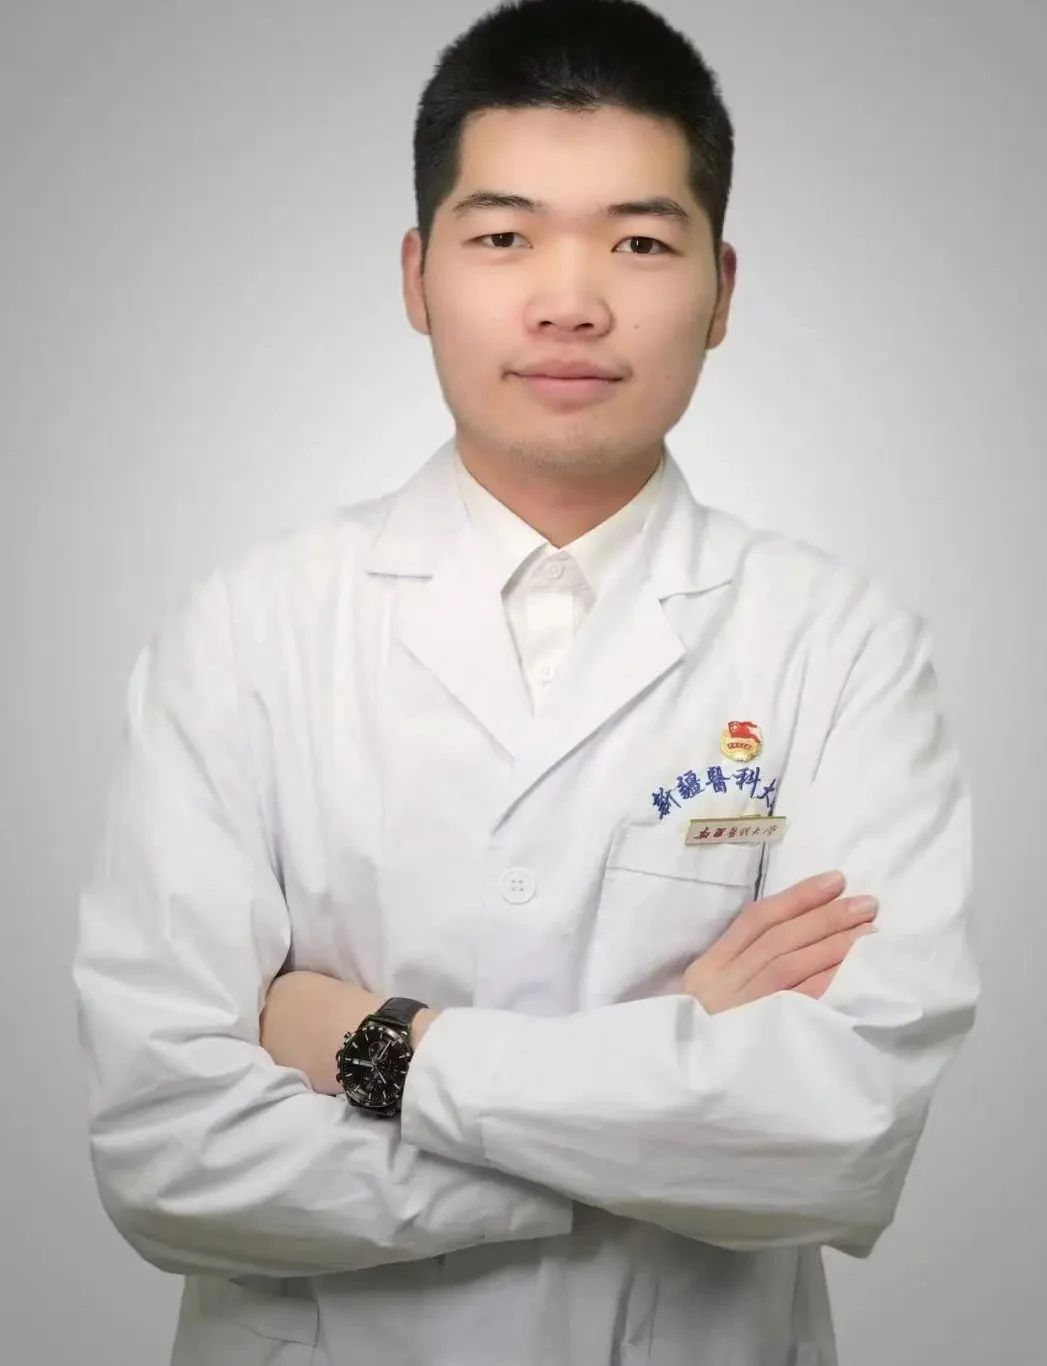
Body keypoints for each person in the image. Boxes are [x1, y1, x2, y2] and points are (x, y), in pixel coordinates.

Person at [72, 1, 979, 1363]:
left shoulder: (840, 645)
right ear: (417, 275)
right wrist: (665, 1095)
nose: (571, 300)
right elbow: (168, 1154)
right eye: (504, 237)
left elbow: (838, 1137)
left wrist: (383, 1046)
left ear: (723, 289)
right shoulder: (247, 633)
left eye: (640, 241)